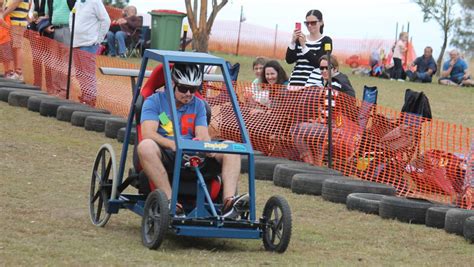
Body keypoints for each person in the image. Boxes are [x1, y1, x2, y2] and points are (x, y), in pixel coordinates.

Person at [137, 63, 247, 218]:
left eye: (193, 89)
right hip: (168, 152)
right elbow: (148, 133)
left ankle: (229, 203)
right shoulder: (154, 101)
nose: (188, 93)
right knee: (145, 146)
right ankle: (170, 201)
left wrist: (206, 146)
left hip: (193, 152)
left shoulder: (198, 105)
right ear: (173, 83)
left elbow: (202, 134)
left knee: (232, 148)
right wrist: (172, 144)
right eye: (183, 88)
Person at [292, 55, 357, 165]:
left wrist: (319, 121)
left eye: (327, 68)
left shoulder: (335, 84)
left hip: (338, 129)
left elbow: (330, 112)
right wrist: (319, 120)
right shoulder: (341, 79)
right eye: (321, 68)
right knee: (317, 132)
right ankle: (317, 164)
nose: (324, 71)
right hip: (342, 127)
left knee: (295, 130)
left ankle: (309, 164)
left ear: (335, 68)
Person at [70, 0, 110, 106]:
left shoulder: (95, 2)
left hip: (89, 44)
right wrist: (72, 32)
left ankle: (90, 99)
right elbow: (72, 16)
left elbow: (106, 20)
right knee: (79, 73)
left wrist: (99, 39)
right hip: (75, 42)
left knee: (87, 73)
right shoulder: (78, 2)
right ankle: (85, 96)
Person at [286, 9, 332, 87]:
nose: (310, 25)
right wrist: (293, 42)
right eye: (307, 23)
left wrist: (304, 46)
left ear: (321, 22)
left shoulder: (326, 40)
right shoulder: (300, 39)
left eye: (313, 23)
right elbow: (289, 60)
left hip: (313, 85)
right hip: (294, 82)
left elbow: (319, 63)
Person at [44, 0, 75, 97]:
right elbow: (47, 15)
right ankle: (56, 90)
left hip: (68, 29)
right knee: (54, 62)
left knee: (66, 62)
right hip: (54, 30)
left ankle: (64, 91)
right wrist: (46, 25)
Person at [2, 0, 30, 81]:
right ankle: (14, 72)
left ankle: (18, 72)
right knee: (13, 47)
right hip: (12, 22)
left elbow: (15, 3)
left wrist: (2, 15)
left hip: (17, 22)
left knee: (17, 46)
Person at [0, 10, 15, 79]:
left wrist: (2, 22)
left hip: (5, 40)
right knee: (3, 58)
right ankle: (7, 72)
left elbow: (9, 27)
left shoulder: (5, 15)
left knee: (7, 57)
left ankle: (9, 72)